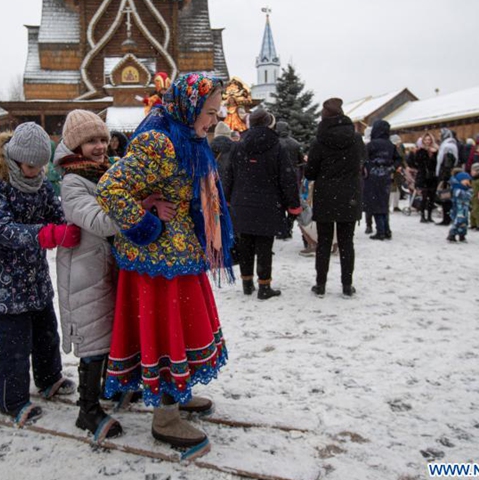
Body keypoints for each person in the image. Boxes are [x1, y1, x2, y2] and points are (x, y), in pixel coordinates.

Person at [97, 72, 233, 449]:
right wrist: (146, 225)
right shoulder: (160, 141)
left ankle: (180, 389)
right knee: (170, 330)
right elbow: (110, 189)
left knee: (183, 330)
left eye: (216, 111)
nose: (214, 120)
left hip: (181, 256)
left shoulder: (186, 134)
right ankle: (166, 417)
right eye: (209, 111)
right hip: (157, 265)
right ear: (189, 106)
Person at [0, 122, 79, 425]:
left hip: (34, 275)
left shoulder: (41, 182)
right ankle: (12, 400)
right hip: (2, 278)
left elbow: (55, 213)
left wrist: (70, 226)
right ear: (15, 159)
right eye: (30, 166)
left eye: (40, 166)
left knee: (46, 331)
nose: (35, 171)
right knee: (14, 342)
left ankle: (49, 379)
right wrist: (47, 236)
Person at [53, 110, 124, 440]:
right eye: (91, 141)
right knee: (94, 340)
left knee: (112, 333)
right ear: (74, 146)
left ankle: (110, 388)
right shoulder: (72, 181)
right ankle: (88, 409)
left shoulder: (106, 172)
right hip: (85, 272)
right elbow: (102, 222)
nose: (99, 146)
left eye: (102, 139)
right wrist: (141, 207)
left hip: (108, 266)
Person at [223, 108, 300, 299]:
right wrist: (293, 204)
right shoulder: (277, 147)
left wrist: (226, 198)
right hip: (269, 203)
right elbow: (287, 178)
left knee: (245, 244)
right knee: (265, 246)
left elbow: (228, 175)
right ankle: (264, 286)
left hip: (242, 203)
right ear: (268, 123)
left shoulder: (239, 146)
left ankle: (247, 283)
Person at [305, 98, 365, 297]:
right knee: (347, 242)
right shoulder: (356, 139)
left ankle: (320, 284)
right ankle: (347, 285)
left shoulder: (319, 141)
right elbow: (361, 164)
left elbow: (310, 173)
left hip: (326, 196)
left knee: (324, 242)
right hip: (350, 195)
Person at [363, 120, 400, 240]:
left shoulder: (371, 145)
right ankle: (387, 229)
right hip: (386, 177)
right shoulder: (391, 145)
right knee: (384, 203)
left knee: (375, 204)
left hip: (373, 177)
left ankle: (381, 231)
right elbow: (398, 159)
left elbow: (364, 160)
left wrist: (369, 168)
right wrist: (391, 168)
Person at [275, 121, 305, 240]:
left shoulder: (275, 144)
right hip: (293, 176)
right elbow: (301, 162)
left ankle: (282, 229)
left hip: (278, 177)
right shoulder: (295, 144)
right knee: (293, 203)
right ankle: (289, 226)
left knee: (280, 204)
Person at [413, 133, 439, 223]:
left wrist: (434, 153)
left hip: (432, 176)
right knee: (424, 196)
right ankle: (423, 215)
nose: (428, 142)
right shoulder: (420, 151)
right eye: (426, 140)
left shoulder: (436, 151)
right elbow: (417, 162)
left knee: (432, 196)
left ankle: (429, 216)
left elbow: (436, 163)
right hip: (423, 176)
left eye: (429, 140)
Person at [436, 129, 460, 226]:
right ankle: (447, 218)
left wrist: (444, 177)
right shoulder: (448, 145)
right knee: (446, 198)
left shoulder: (447, 146)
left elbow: (447, 162)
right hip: (447, 174)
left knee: (446, 198)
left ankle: (447, 219)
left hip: (446, 175)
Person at [447, 170, 472, 242]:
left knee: (464, 223)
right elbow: (465, 196)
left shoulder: (465, 189)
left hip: (464, 210)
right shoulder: (456, 189)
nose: (467, 182)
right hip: (458, 210)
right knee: (458, 222)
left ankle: (462, 235)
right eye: (465, 180)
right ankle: (452, 234)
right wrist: (469, 191)